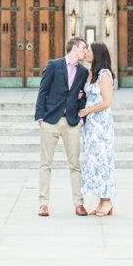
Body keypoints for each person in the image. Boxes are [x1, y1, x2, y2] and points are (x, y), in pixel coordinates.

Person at [34, 36, 89, 217]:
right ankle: (43, 204)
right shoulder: (54, 65)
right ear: (74, 48)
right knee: (45, 164)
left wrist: (81, 118)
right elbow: (43, 90)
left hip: (72, 121)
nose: (85, 52)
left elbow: (82, 96)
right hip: (50, 120)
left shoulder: (83, 71)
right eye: (83, 48)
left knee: (75, 164)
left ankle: (79, 203)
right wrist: (40, 116)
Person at [78, 41, 117, 217]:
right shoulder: (91, 73)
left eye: (89, 51)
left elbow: (107, 101)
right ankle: (101, 201)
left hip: (101, 124)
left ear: (97, 54)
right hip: (91, 126)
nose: (86, 53)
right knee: (94, 161)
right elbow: (91, 94)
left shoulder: (104, 74)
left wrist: (87, 110)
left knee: (103, 161)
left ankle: (107, 200)